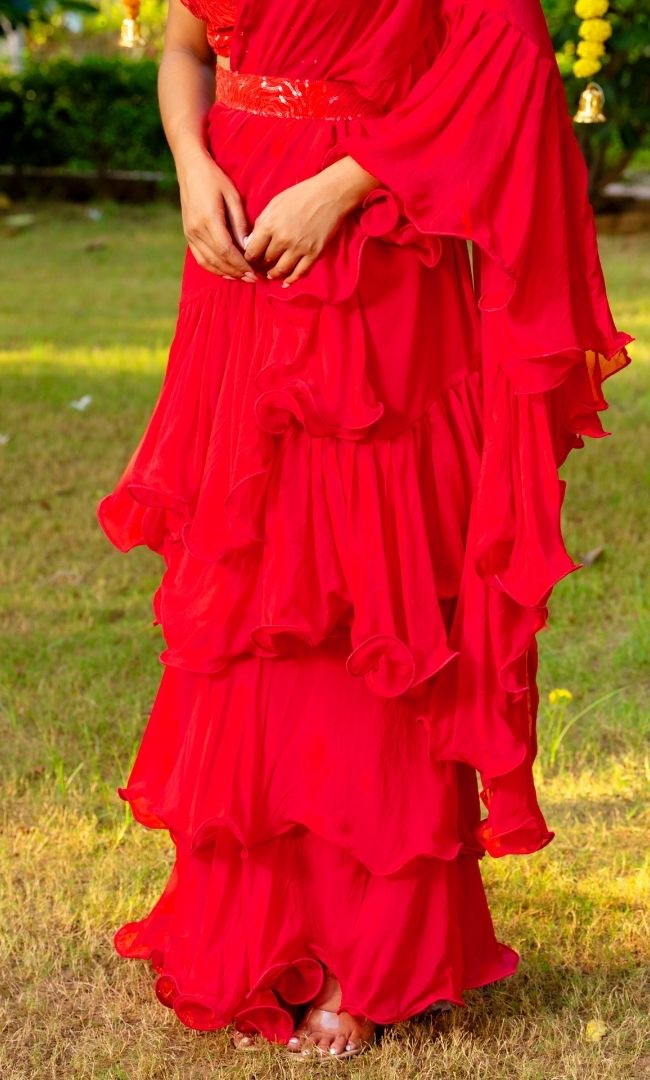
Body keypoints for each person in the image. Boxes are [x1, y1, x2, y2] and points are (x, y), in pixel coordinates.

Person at [97, 0, 632, 1060]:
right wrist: (193, 170)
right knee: (256, 580)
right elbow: (183, 47)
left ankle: (364, 949)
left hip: (370, 243)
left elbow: (514, 67)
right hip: (241, 244)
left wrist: (343, 187)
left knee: (363, 586)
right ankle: (254, 925)